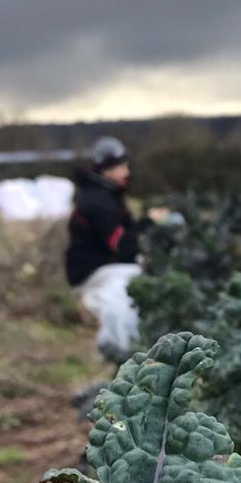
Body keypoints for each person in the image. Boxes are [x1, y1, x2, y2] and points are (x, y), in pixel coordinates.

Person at [65, 137, 170, 359]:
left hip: (109, 266)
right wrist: (149, 223)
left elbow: (128, 236)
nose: (126, 170)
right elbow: (121, 244)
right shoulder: (97, 201)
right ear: (107, 170)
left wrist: (147, 222)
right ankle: (118, 357)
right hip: (94, 272)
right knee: (124, 305)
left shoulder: (107, 195)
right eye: (121, 166)